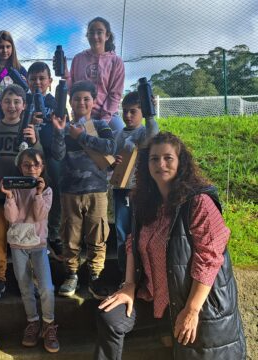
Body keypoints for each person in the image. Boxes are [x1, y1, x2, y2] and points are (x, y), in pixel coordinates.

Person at [95, 132, 246, 359]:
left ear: (180, 161)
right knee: (109, 316)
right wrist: (128, 286)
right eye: (154, 159)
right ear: (146, 165)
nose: (161, 164)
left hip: (194, 299)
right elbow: (131, 243)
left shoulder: (199, 202)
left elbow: (210, 259)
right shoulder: (144, 202)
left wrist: (192, 310)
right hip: (153, 296)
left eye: (168, 158)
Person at [0, 84, 42, 302]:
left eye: (16, 101)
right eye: (7, 101)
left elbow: (39, 161)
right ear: (0, 104)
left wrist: (35, 142)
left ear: (23, 105)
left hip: (22, 195)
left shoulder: (29, 129)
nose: (11, 105)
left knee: (25, 239)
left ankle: (29, 280)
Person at [51, 80, 116, 300]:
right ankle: (71, 274)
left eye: (86, 98)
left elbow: (110, 147)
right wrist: (61, 133)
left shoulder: (101, 125)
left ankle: (95, 276)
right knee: (70, 235)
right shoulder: (63, 126)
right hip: (69, 191)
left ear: (94, 101)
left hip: (97, 190)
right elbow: (58, 155)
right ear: (70, 102)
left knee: (97, 234)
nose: (81, 102)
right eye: (77, 98)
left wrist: (82, 136)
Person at [1, 148, 59, 353]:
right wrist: (9, 196)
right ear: (20, 167)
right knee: (25, 285)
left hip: (38, 244)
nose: (32, 169)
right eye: (26, 165)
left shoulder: (48, 190)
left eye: (36, 164)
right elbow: (12, 217)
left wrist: (38, 194)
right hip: (18, 244)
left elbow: (39, 215)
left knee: (46, 287)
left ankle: (48, 324)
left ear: (42, 167)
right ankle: (33, 322)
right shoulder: (15, 188)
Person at [112, 91, 158, 273]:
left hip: (140, 191)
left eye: (133, 111)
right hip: (121, 190)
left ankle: (143, 273)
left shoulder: (144, 132)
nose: (128, 116)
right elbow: (111, 162)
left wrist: (150, 113)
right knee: (122, 233)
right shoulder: (118, 134)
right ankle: (126, 274)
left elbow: (153, 132)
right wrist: (112, 162)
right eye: (125, 111)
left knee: (141, 232)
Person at [25, 61, 63, 260]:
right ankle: (30, 230)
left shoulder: (54, 102)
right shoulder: (24, 100)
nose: (37, 82)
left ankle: (54, 232)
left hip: (50, 153)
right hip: (30, 154)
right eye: (33, 79)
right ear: (27, 81)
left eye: (42, 78)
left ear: (50, 81)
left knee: (54, 190)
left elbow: (61, 125)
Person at [62, 17, 125, 131]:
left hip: (108, 115)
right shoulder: (78, 58)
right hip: (83, 114)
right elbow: (72, 90)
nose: (95, 37)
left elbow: (115, 94)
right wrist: (66, 75)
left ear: (107, 35)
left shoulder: (116, 61)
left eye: (99, 32)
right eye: (91, 33)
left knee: (121, 137)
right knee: (89, 141)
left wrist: (103, 121)